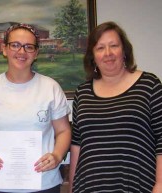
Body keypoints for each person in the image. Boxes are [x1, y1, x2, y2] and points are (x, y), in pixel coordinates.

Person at [0, 23, 72, 193]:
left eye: (29, 47)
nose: (22, 52)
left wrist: (57, 155)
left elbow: (63, 131)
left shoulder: (51, 88)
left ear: (36, 53)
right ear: (4, 49)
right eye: (15, 45)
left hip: (43, 183)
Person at [69, 21, 162, 193]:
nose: (108, 53)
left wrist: (160, 184)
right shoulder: (82, 93)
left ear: (124, 51)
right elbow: (77, 145)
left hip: (138, 185)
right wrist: (72, 188)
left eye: (114, 46)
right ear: (93, 56)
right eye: (100, 48)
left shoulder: (149, 85)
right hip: (90, 187)